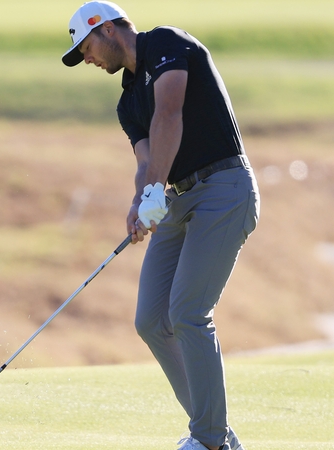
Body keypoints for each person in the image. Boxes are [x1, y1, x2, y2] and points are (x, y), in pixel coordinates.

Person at [61, 2, 260, 450]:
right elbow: (146, 161)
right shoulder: (126, 102)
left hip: (225, 188)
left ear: (107, 29)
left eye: (86, 47)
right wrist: (140, 202)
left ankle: (208, 439)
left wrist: (154, 191)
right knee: (151, 320)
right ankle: (219, 433)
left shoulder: (166, 43)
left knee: (188, 313)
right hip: (177, 200)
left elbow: (170, 113)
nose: (87, 59)